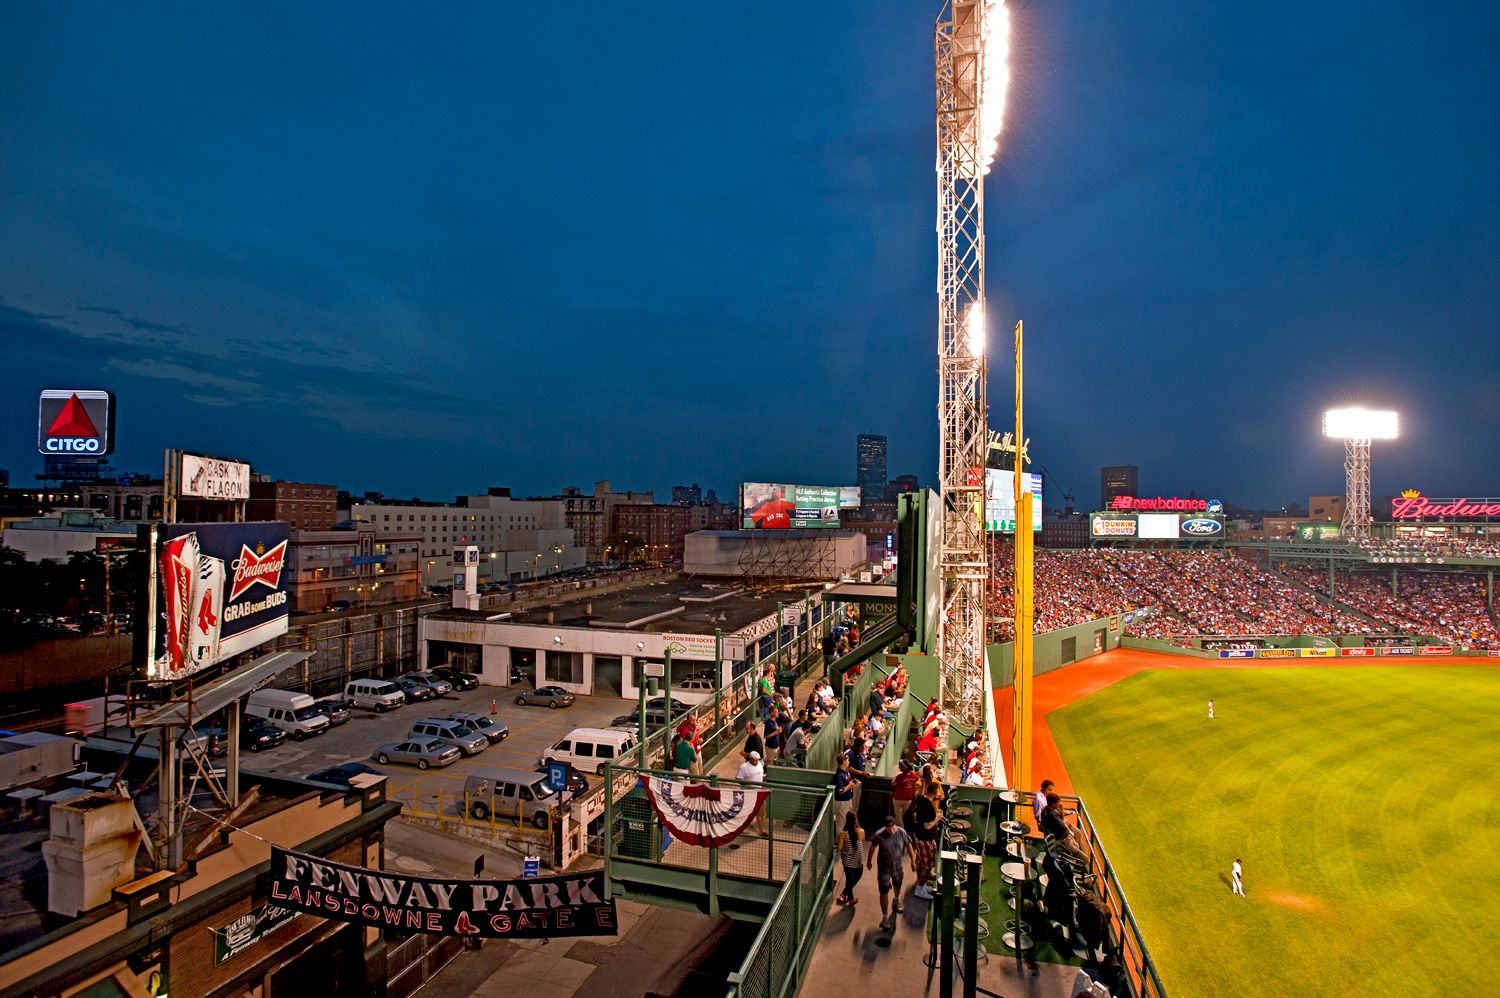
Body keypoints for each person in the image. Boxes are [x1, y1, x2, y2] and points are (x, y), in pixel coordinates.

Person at [867, 813, 916, 924]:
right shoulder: (879, 834)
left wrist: (913, 861)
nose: (891, 830)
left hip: (897, 865)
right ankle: (885, 917)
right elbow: (872, 847)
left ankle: (896, 899)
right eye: (888, 828)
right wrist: (869, 861)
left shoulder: (901, 832)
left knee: (897, 883)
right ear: (885, 827)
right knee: (883, 891)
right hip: (884, 867)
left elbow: (909, 845)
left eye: (892, 827)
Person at [909, 784, 940, 898]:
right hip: (926, 838)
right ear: (936, 792)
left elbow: (919, 794)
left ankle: (919, 884)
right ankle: (920, 888)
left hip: (917, 835)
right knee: (927, 865)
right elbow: (927, 826)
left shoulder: (921, 799)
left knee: (920, 861)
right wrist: (937, 818)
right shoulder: (930, 808)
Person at [835, 811, 865, 907]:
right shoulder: (861, 831)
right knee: (856, 877)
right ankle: (849, 898)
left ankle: (845, 894)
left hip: (847, 862)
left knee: (849, 879)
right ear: (856, 820)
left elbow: (839, 848)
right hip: (859, 861)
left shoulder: (843, 834)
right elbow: (862, 841)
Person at [736, 751, 768, 835]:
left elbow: (762, 776)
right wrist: (747, 785)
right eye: (754, 760)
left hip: (759, 792)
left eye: (757, 759)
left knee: (761, 812)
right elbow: (738, 779)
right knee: (746, 812)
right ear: (750, 759)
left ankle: (761, 830)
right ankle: (743, 828)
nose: (756, 761)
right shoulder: (744, 767)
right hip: (748, 794)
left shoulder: (760, 764)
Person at [890, 759, 919, 828]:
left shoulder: (900, 776)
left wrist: (895, 776)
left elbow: (893, 784)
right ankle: (895, 830)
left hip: (898, 799)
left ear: (904, 767)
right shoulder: (914, 774)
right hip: (908, 800)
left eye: (900, 766)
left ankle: (901, 833)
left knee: (898, 817)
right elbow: (918, 781)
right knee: (900, 817)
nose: (899, 767)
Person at [834, 753, 860, 825]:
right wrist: (849, 785)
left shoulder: (845, 772)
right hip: (842, 803)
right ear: (843, 761)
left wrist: (853, 783)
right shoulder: (839, 775)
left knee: (847, 824)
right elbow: (840, 790)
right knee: (841, 824)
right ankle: (839, 837)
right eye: (847, 760)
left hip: (848, 801)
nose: (849, 762)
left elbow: (848, 784)